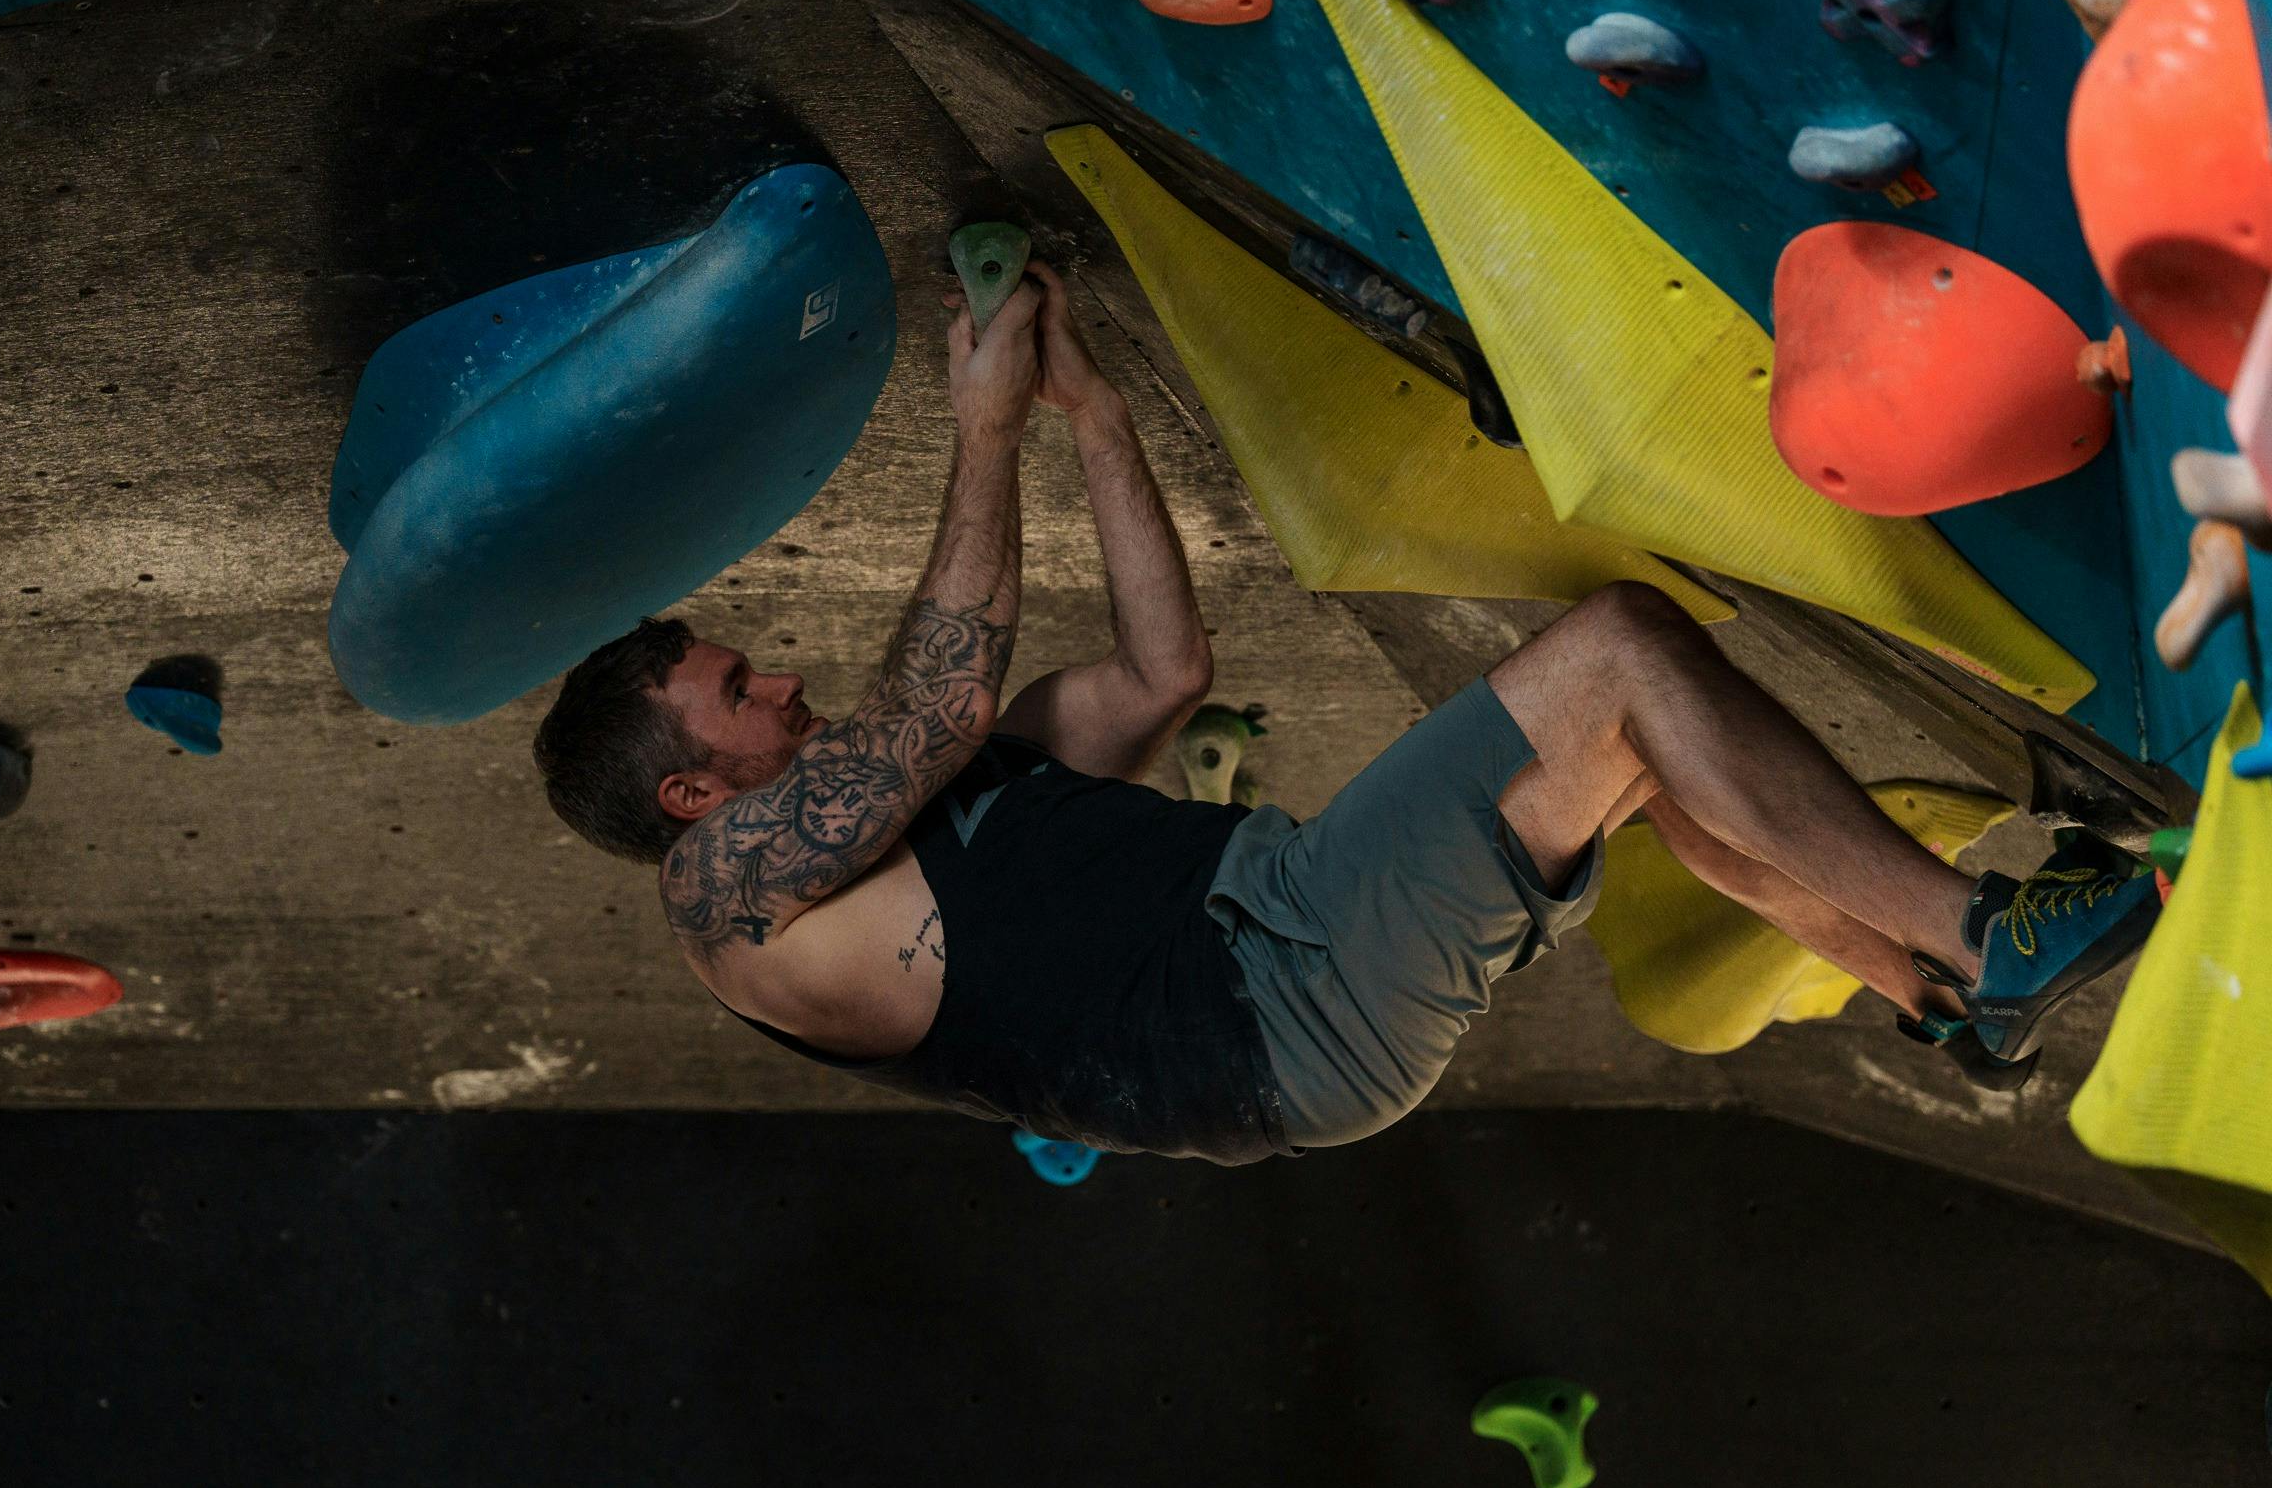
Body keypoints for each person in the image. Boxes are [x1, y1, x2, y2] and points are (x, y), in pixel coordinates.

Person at [531, 259, 2159, 1164]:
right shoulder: (724, 907)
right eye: (738, 691)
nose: (783, 678)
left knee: (1647, 758)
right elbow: (939, 695)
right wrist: (983, 424)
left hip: (1283, 973)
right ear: (692, 796)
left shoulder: (945, 821)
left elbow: (1165, 669)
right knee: (1619, 653)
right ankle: (1981, 927)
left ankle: (1935, 988)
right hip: (1275, 987)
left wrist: (1092, 414)